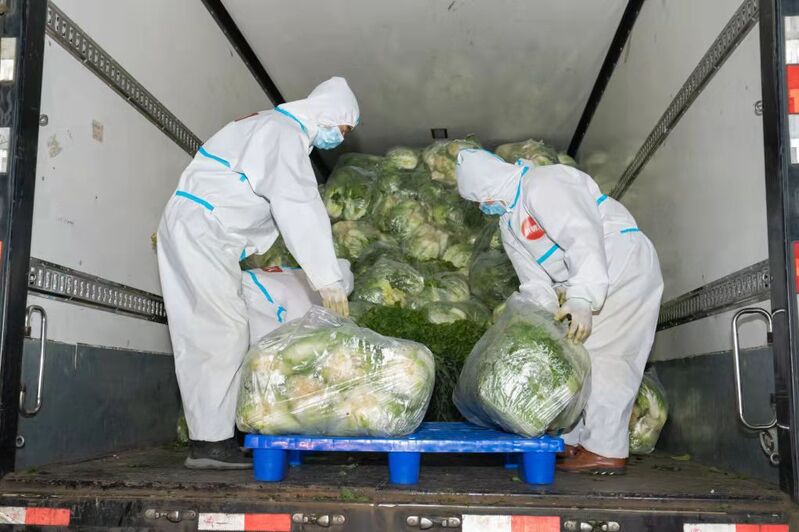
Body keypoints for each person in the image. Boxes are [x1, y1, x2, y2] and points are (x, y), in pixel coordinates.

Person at [157, 77, 359, 469]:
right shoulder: (283, 133)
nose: (340, 138)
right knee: (221, 330)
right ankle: (210, 445)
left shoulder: (271, 125)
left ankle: (215, 436)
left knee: (211, 328)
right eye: (343, 128)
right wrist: (328, 279)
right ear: (328, 114)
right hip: (204, 229)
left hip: (199, 226)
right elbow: (298, 204)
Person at [455, 149, 663, 474]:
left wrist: (582, 296)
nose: (482, 206)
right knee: (576, 358)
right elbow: (535, 284)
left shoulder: (542, 183)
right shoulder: (509, 223)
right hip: (588, 283)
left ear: (487, 187)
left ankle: (605, 450)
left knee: (608, 357)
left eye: (479, 198)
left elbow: (583, 235)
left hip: (620, 263)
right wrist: (533, 323)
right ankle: (573, 439)